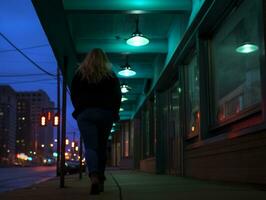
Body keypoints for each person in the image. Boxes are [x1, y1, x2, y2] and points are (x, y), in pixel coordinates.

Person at [70, 48, 121, 195]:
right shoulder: (110, 75)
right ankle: (101, 177)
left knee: (91, 147)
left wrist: (80, 108)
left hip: (86, 113)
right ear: (104, 60)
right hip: (106, 113)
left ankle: (93, 177)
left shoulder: (79, 74)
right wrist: (114, 112)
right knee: (102, 147)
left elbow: (74, 94)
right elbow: (117, 95)